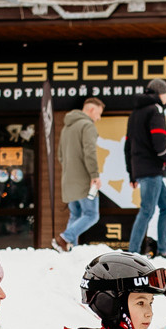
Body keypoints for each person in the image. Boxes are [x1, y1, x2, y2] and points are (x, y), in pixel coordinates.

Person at [126, 78, 166, 259]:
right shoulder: (155, 111)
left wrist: (132, 174)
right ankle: (133, 252)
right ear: (160, 93)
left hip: (142, 168)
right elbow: (159, 140)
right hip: (152, 168)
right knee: (147, 210)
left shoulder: (134, 114)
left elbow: (128, 146)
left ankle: (163, 250)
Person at [54, 95, 105, 252]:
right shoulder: (87, 126)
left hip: (68, 180)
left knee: (75, 215)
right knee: (91, 214)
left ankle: (70, 249)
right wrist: (94, 175)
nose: (99, 118)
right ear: (91, 109)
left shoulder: (66, 127)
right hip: (84, 180)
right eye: (98, 113)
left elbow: (60, 155)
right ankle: (65, 238)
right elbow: (89, 152)